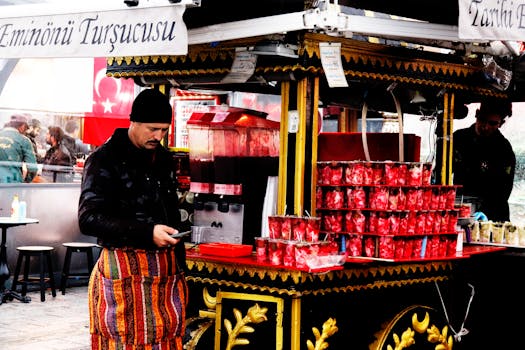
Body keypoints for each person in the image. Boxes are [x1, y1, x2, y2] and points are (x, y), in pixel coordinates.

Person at [78, 88, 188, 349]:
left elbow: (170, 209)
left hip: (165, 274)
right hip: (122, 272)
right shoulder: (103, 159)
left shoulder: (163, 158)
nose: (158, 136)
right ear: (134, 122)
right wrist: (147, 232)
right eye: (152, 129)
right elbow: (88, 219)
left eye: (163, 130)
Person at [453, 98, 515, 222]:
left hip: (493, 216)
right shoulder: (458, 139)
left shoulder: (504, 150)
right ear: (476, 114)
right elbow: (440, 174)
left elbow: (503, 191)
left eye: (492, 123)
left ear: (501, 123)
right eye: (482, 119)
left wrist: (487, 213)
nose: (485, 127)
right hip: (461, 208)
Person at [0, 114, 39, 183]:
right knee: (14, 194)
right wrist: (26, 181)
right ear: (23, 126)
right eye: (26, 128)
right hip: (13, 183)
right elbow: (32, 168)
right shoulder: (24, 140)